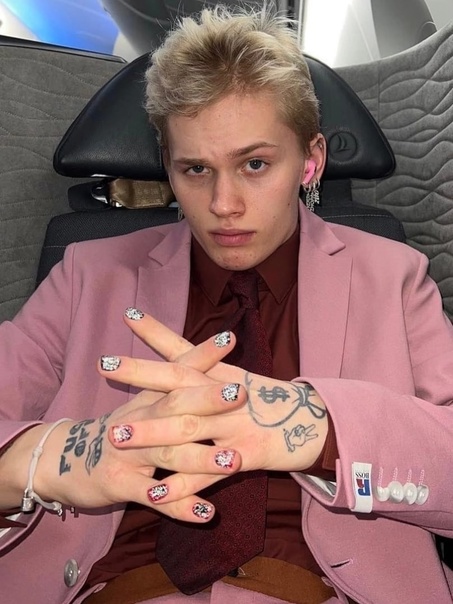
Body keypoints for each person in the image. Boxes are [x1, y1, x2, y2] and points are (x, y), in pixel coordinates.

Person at [1, 5, 453, 604]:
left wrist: (319, 428)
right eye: (195, 169)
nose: (223, 204)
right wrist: (51, 457)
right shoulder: (87, 274)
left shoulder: (394, 275)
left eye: (255, 164)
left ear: (311, 160)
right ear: (168, 168)